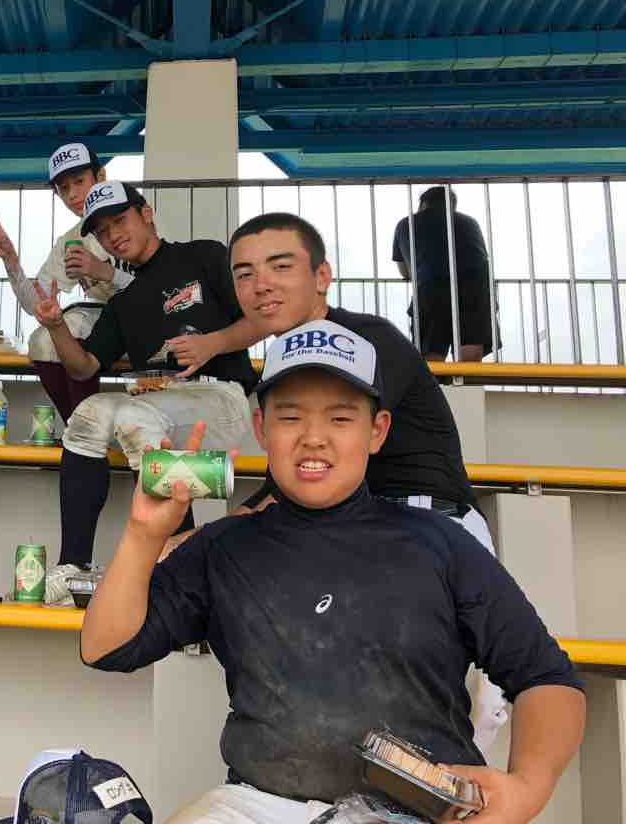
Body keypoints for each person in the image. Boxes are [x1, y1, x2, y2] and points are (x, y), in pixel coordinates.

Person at [81, 323, 585, 824]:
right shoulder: (222, 547)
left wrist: (526, 789)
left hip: (413, 810)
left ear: (377, 431)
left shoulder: (440, 543)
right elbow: (107, 648)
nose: (314, 438)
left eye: (341, 418)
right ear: (261, 428)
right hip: (258, 806)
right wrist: (143, 534)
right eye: (290, 417)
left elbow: (547, 678)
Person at [226, 211, 511, 753]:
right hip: (356, 532)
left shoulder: (364, 340)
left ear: (322, 276)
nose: (260, 284)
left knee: (447, 724)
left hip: (428, 523)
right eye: (244, 273)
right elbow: (286, 482)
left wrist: (208, 538)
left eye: (280, 266)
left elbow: (303, 476)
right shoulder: (287, 360)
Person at [32, 181, 261, 604]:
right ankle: (73, 565)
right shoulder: (125, 300)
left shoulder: (204, 255)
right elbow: (84, 366)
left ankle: (175, 569)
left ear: (147, 213)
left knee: (133, 416)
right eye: (102, 231)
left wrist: (213, 343)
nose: (113, 235)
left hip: (221, 399)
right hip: (155, 406)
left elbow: (260, 319)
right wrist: (56, 326)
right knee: (89, 412)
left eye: (120, 220)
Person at [0, 142, 136, 421]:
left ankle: (84, 431)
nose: (72, 194)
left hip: (148, 319)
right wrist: (11, 260)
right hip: (108, 327)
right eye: (63, 188)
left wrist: (104, 271)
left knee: (73, 324)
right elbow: (36, 303)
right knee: (42, 338)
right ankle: (77, 425)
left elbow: (159, 286)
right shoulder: (71, 240)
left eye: (79, 181)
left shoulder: (133, 219)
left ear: (101, 176)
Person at [392, 186, 497, 361]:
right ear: (452, 205)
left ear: (423, 203)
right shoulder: (470, 222)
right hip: (475, 286)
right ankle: (467, 377)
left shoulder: (406, 224)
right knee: (470, 347)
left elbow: (405, 271)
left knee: (431, 350)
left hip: (431, 287)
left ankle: (434, 377)